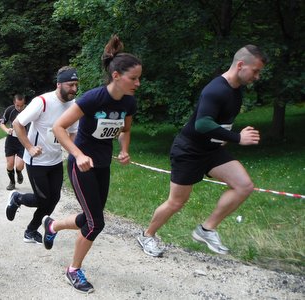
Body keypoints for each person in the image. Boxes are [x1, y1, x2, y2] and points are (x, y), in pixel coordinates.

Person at [136, 45, 267, 257]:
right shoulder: (216, 89)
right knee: (176, 202)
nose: (257, 76)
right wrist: (237, 138)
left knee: (244, 186)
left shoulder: (236, 90)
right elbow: (202, 124)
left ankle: (206, 229)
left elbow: (219, 123)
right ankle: (147, 235)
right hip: (189, 151)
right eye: (256, 71)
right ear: (241, 65)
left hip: (212, 150)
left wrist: (224, 139)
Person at [45, 35, 142, 294]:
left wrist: (124, 150)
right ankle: (73, 270)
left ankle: (51, 225)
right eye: (134, 78)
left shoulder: (129, 102)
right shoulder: (92, 98)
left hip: (102, 165)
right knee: (96, 223)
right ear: (117, 76)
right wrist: (78, 154)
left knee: (90, 217)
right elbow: (59, 127)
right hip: (81, 165)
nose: (138, 83)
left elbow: (125, 130)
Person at [5, 66, 79, 244]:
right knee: (43, 199)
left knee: (54, 199)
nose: (74, 89)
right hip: (36, 161)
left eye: (76, 85)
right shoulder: (43, 102)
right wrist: (29, 147)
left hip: (55, 160)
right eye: (70, 85)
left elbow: (73, 133)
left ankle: (31, 231)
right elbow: (17, 123)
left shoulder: (74, 105)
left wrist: (73, 152)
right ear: (59, 84)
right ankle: (17, 198)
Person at [0, 94, 27, 190]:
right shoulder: (10, 110)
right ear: (14, 103)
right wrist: (7, 130)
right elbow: (2, 124)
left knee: (19, 165)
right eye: (17, 105)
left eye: (22, 105)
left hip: (23, 140)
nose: (19, 108)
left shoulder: (29, 110)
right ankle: (12, 182)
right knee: (10, 164)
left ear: (24, 103)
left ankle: (19, 172)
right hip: (11, 139)